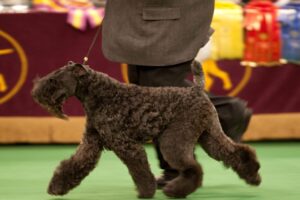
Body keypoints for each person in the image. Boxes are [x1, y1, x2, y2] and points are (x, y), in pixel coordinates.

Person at [101, 0, 252, 188]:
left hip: (166, 18)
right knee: (150, 88)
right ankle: (227, 114)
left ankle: (179, 167)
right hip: (145, 19)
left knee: (158, 96)